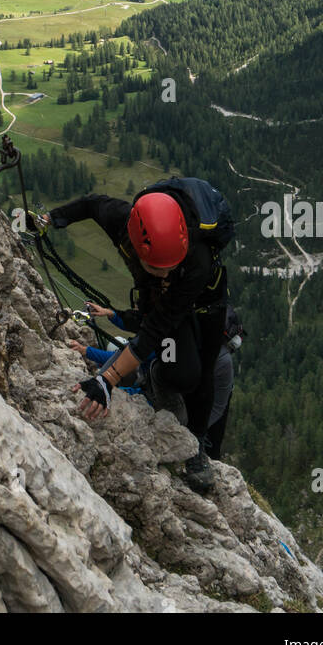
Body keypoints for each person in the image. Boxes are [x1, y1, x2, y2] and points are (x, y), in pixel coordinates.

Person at [41, 177, 233, 493]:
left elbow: (156, 327)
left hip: (205, 301)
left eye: (172, 265)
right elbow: (91, 204)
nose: (168, 272)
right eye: (161, 267)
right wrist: (51, 219)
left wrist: (108, 378)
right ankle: (154, 372)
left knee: (205, 370)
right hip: (159, 297)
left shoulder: (195, 258)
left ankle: (197, 446)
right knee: (182, 373)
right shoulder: (122, 220)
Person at [205, 305, 244, 460]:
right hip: (217, 397)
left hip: (211, 397)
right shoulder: (224, 360)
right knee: (214, 443)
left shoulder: (221, 360)